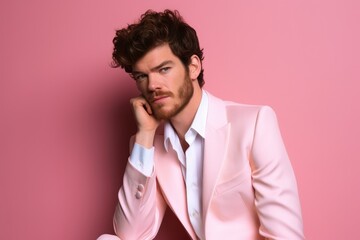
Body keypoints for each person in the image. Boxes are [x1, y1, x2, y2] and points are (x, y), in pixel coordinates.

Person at [98, 9, 304, 240]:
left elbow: (286, 236)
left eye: (163, 69)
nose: (152, 85)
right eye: (141, 76)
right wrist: (145, 134)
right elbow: (130, 233)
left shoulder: (253, 125)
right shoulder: (148, 146)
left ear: (193, 66)